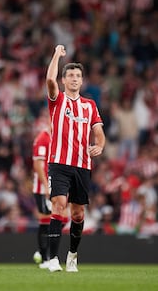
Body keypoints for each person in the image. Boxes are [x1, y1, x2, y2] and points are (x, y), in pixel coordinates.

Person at [45, 45, 105, 272]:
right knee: (58, 205)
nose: (74, 79)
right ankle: (52, 259)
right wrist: (56, 56)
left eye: (78, 76)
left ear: (82, 81)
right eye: (70, 75)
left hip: (82, 165)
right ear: (64, 80)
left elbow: (99, 132)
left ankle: (72, 254)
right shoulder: (57, 99)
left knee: (78, 213)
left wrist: (99, 145)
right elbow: (49, 80)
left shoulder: (90, 106)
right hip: (59, 163)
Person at [31, 120, 52, 269]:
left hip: (55, 185)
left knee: (60, 219)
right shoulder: (42, 138)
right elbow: (38, 164)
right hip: (42, 188)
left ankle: (42, 251)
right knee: (45, 221)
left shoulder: (57, 137)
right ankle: (45, 258)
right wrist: (46, 186)